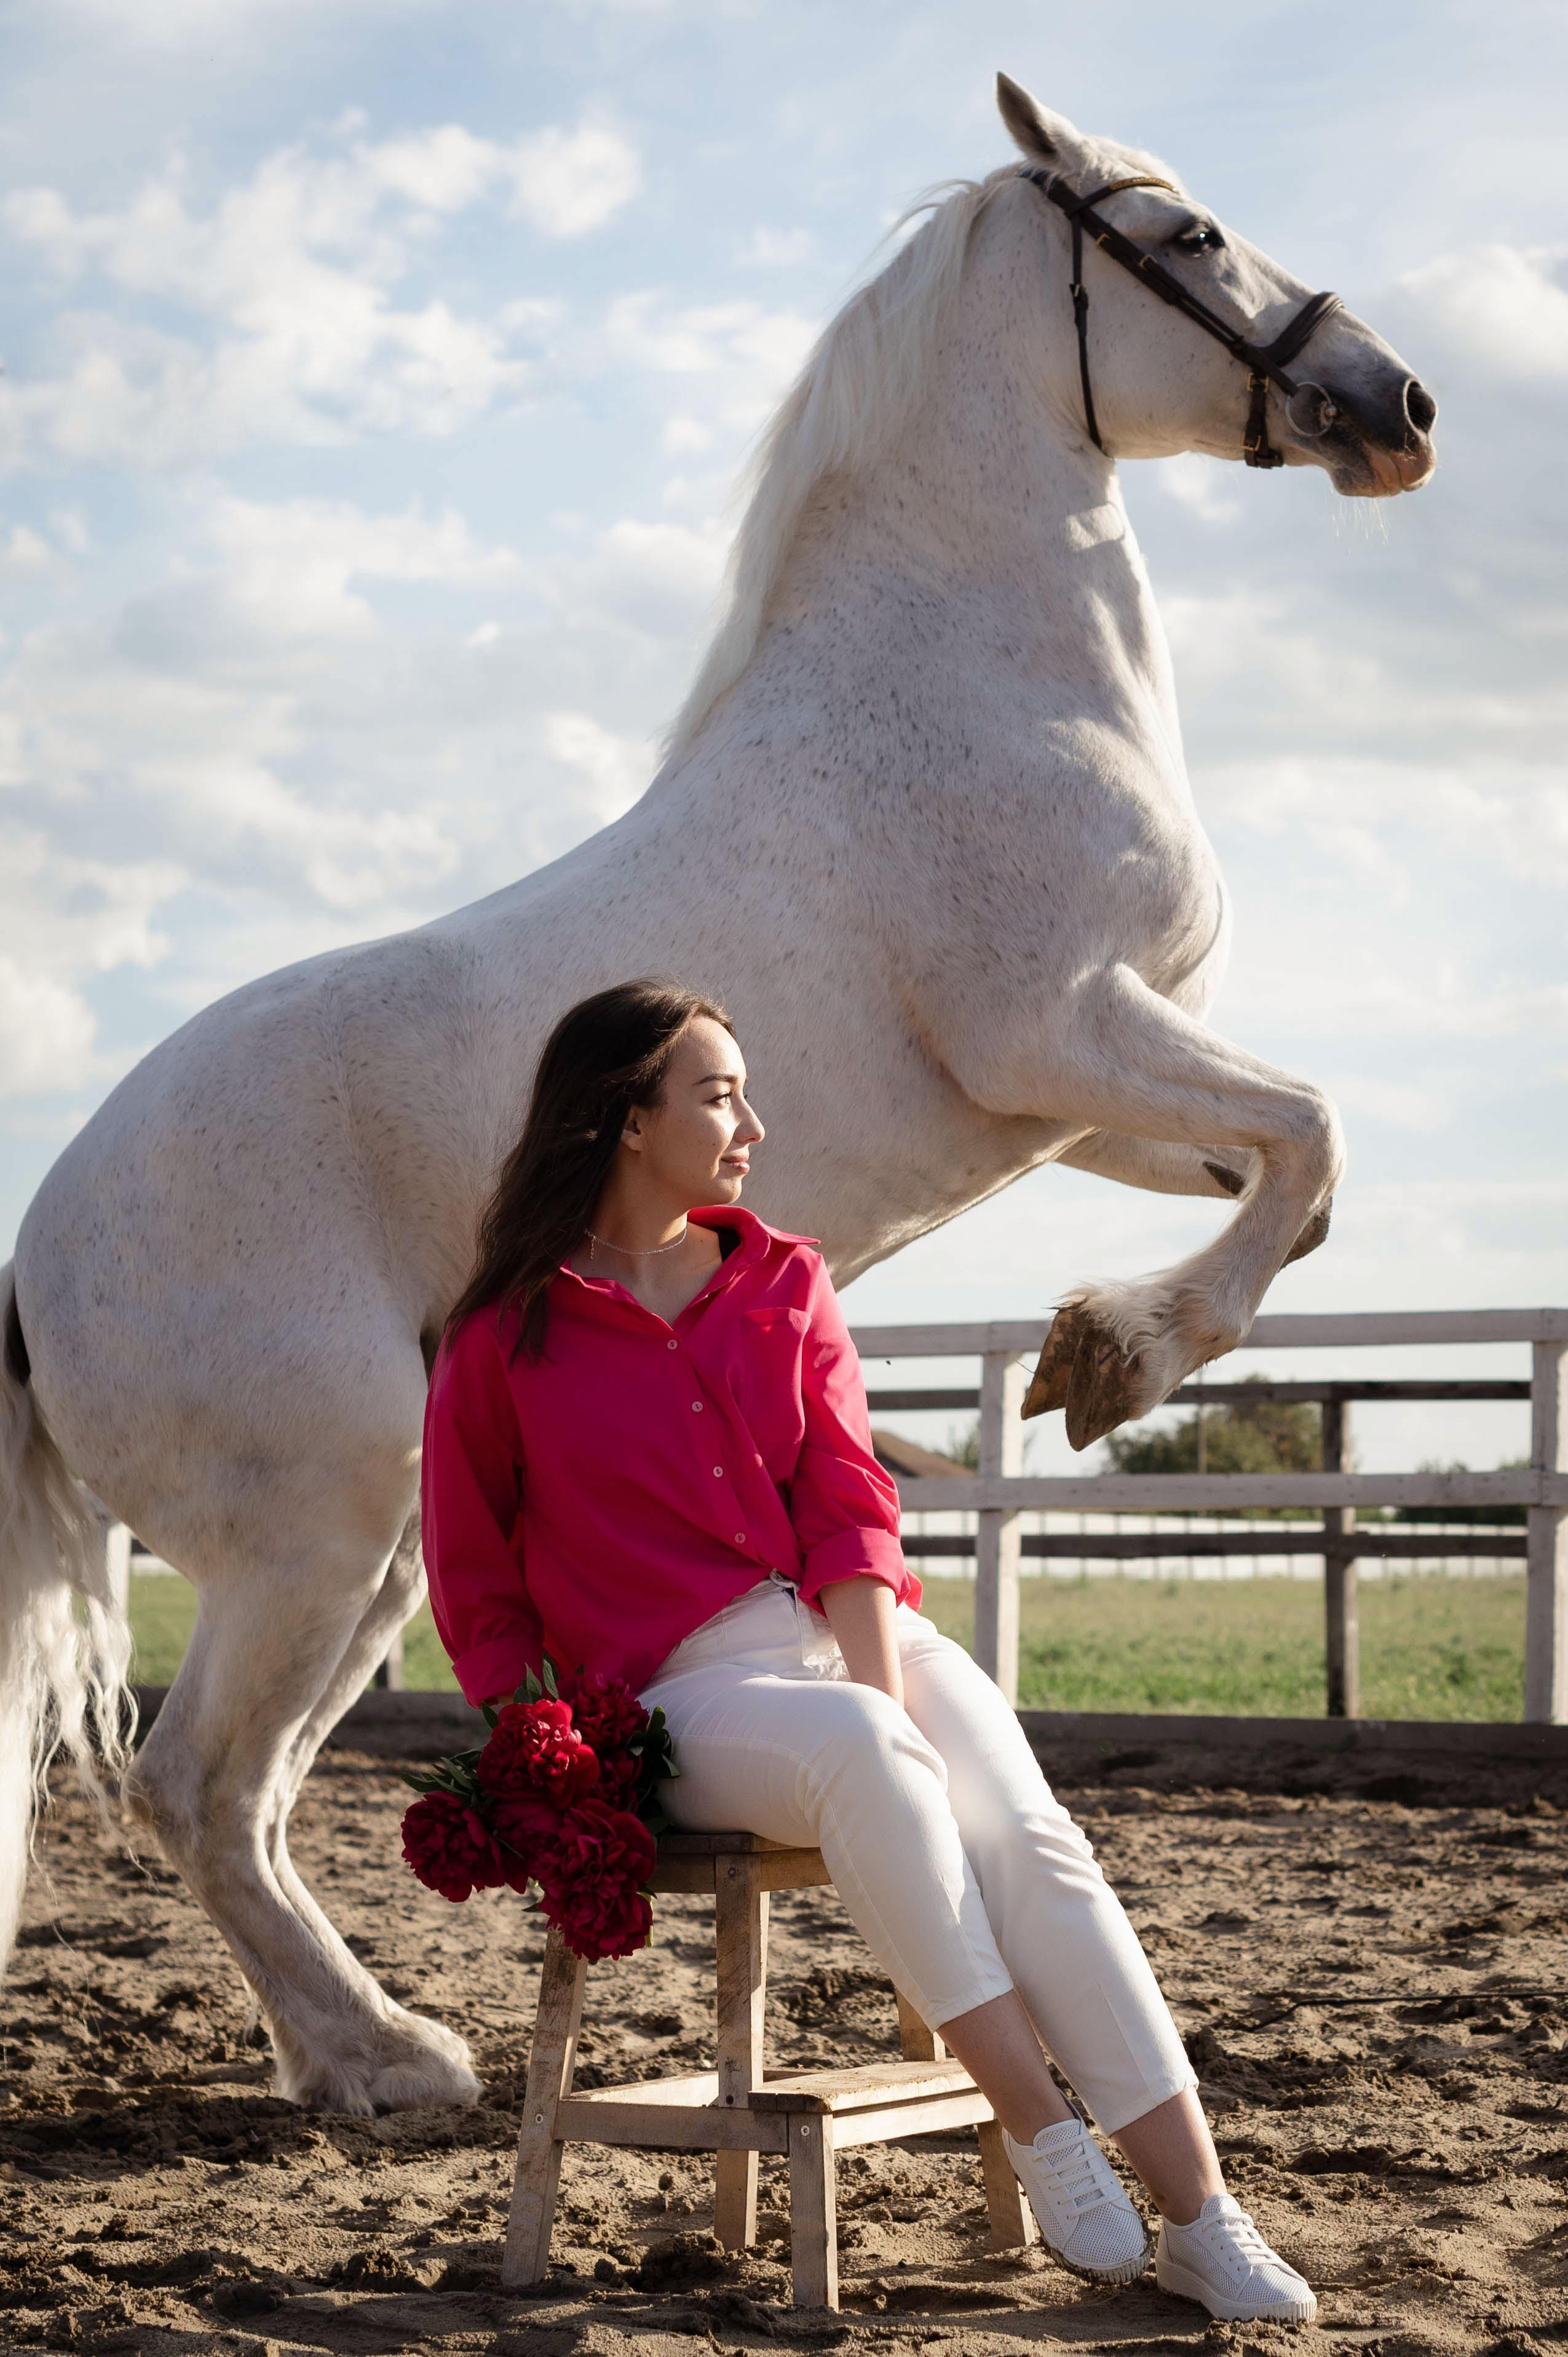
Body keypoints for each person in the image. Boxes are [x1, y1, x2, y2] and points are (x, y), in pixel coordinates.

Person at [421, 976, 1315, 2322]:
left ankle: (1202, 2212)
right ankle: (1044, 2132)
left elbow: (849, 1502)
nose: (752, 1122)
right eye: (719, 1092)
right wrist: (546, 1748)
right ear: (624, 1117)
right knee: (866, 1752)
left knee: (1023, 1827)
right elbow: (474, 1578)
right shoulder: (505, 1335)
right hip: (683, 1691)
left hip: (859, 1635)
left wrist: (876, 1679)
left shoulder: (785, 1277)